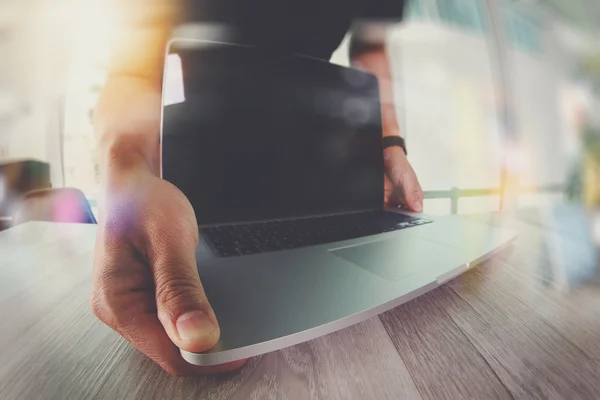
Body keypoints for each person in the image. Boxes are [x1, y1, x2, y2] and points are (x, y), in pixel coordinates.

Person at [92, 0, 423, 376]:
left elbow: (370, 44)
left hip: (319, 159)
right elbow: (132, 70)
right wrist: (124, 178)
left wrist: (389, 144)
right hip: (205, 163)